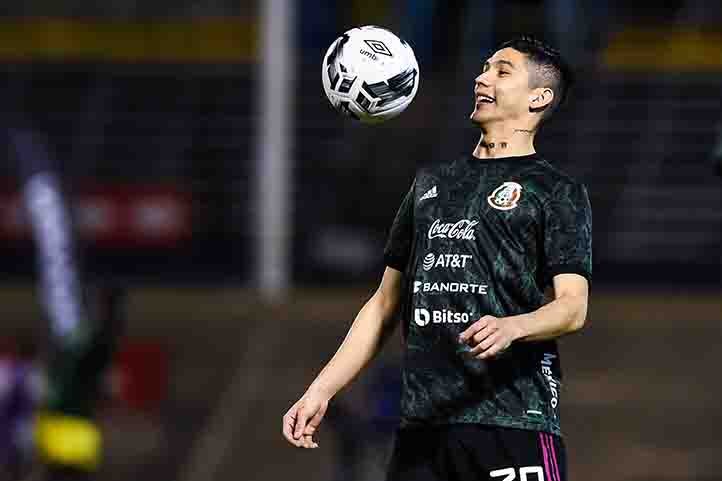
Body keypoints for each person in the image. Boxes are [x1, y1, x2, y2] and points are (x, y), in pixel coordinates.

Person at [283, 35, 591, 481]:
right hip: (423, 430)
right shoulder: (430, 185)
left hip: (512, 420)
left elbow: (572, 307)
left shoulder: (555, 191)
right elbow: (384, 304)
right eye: (484, 68)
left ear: (538, 97)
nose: (482, 78)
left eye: (502, 71)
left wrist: (514, 325)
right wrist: (321, 391)